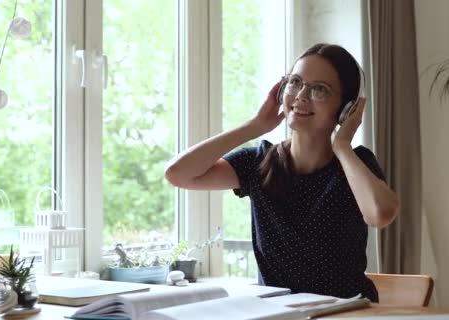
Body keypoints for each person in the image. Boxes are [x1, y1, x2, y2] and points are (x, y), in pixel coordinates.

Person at [164, 43, 399, 302]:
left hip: (345, 313)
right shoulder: (259, 162)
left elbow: (380, 214)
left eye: (319, 89)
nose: (301, 95)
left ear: (346, 109)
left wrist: (342, 146)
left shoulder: (356, 163)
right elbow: (178, 174)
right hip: (278, 313)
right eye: (295, 82)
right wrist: (254, 126)